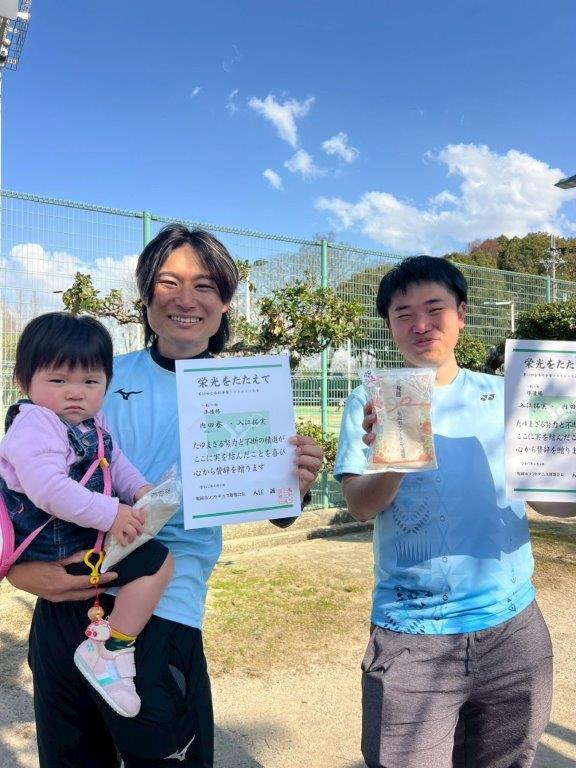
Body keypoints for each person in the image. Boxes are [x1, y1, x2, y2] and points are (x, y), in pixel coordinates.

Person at [7, 224, 324, 768]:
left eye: (204, 286)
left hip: (164, 611)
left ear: (225, 302)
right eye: (168, 282)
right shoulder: (95, 377)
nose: (185, 299)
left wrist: (294, 484)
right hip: (63, 601)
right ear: (146, 294)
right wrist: (19, 572)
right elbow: (24, 477)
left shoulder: (248, 391)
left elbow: (273, 508)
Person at [333, 255, 576, 768]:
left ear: (461, 314)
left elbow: (551, 503)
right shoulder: (369, 399)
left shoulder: (506, 395)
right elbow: (359, 506)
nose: (421, 325)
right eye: (403, 314)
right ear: (389, 325)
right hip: (410, 632)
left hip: (512, 628)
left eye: (434, 308)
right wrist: (395, 454)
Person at [0, 312, 173, 719]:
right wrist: (112, 512)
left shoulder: (93, 422)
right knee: (157, 562)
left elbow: (116, 462)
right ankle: (110, 652)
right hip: (52, 546)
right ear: (25, 381)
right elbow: (48, 489)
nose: (75, 393)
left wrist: (142, 491)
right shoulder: (36, 424)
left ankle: (109, 648)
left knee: (153, 561)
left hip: (79, 536)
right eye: (59, 381)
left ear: (106, 384)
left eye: (90, 382)